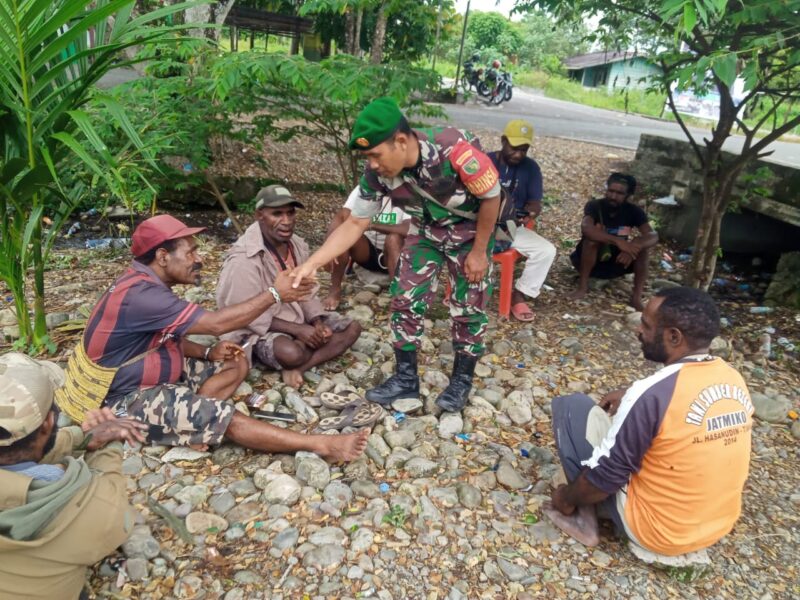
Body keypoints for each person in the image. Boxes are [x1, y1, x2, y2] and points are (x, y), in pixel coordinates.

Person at [60, 214, 368, 461]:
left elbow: (160, 337)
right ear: (163, 256)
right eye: (191, 251)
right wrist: (275, 293)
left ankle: (191, 425)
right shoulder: (142, 295)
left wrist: (208, 354)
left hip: (155, 371)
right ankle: (322, 445)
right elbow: (217, 324)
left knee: (236, 362)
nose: (198, 258)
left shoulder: (144, 283)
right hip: (124, 398)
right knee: (227, 419)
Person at [291, 97, 502, 413]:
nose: (372, 164)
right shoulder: (377, 174)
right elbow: (356, 223)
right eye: (367, 156)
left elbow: (492, 196)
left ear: (401, 141)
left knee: (468, 309)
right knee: (405, 300)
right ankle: (406, 380)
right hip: (425, 231)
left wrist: (480, 251)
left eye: (376, 154)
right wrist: (311, 263)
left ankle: (461, 381)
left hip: (469, 233)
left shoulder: (455, 150)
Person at [544, 287, 753, 558]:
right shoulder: (732, 378)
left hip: (657, 532)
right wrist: (632, 395)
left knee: (573, 407)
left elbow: (606, 475)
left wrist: (565, 499)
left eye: (646, 324)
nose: (638, 331)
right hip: (715, 526)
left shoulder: (651, 394)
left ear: (673, 337)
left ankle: (585, 523)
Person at [0, 353, 147, 600]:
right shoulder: (90, 507)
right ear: (48, 422)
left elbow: (15, 456)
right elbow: (116, 512)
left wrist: (83, 437)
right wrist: (109, 446)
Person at [217, 185, 363, 389]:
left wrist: (316, 322)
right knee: (291, 353)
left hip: (296, 315)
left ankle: (299, 367)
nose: (286, 221)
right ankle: (301, 354)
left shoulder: (296, 244)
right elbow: (243, 314)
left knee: (353, 328)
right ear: (260, 215)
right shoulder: (244, 259)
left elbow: (306, 290)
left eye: (290, 213)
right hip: (261, 327)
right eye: (277, 214)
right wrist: (298, 329)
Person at [488, 119, 556, 321]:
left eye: (524, 149)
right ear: (503, 141)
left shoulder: (531, 168)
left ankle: (519, 294)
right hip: (478, 223)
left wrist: (531, 213)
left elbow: (535, 202)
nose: (518, 154)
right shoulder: (485, 161)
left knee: (546, 251)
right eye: (514, 148)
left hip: (510, 226)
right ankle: (463, 291)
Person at [569, 173, 658, 310]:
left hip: (618, 263)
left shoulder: (634, 212)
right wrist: (618, 242)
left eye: (619, 193)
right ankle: (582, 287)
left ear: (628, 195)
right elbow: (586, 228)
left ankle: (636, 298)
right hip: (589, 261)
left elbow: (652, 235)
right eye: (610, 191)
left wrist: (635, 246)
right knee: (591, 241)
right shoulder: (595, 206)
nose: (613, 196)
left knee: (644, 250)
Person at [322, 186, 411, 310]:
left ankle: (397, 302)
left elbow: (408, 229)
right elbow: (342, 216)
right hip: (367, 252)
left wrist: (372, 225)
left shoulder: (408, 189)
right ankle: (334, 290)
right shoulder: (365, 188)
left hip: (395, 255)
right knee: (343, 232)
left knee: (394, 238)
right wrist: (328, 250)